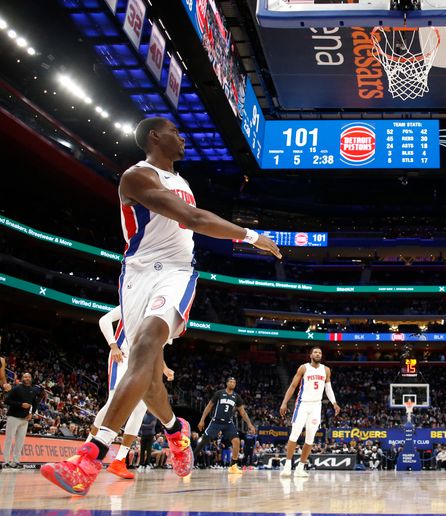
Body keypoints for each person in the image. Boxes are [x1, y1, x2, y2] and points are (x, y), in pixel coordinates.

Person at [41, 117, 281, 495]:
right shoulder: (136, 177)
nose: (182, 137)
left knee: (147, 345)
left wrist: (246, 236)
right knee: (149, 379)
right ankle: (175, 431)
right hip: (137, 276)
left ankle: (89, 457)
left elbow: (189, 224)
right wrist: (252, 236)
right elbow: (192, 218)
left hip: (176, 272)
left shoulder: (183, 182)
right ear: (154, 136)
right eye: (174, 131)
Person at [87, 305, 174, 479]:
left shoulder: (165, 314)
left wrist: (164, 368)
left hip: (143, 361)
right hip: (122, 356)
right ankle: (86, 450)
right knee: (114, 402)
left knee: (141, 409)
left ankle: (119, 460)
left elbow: (157, 347)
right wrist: (113, 346)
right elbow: (104, 320)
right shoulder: (135, 300)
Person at [279, 347, 340, 477]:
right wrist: (284, 402)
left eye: (320, 352)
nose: (318, 354)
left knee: (310, 438)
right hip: (302, 404)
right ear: (310, 355)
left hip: (316, 406)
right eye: (315, 352)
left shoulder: (326, 370)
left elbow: (328, 388)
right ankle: (287, 466)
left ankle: (300, 468)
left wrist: (334, 403)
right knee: (294, 434)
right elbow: (293, 386)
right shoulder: (303, 368)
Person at [194, 377, 256, 474]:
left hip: (228, 423)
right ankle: (191, 459)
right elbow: (209, 406)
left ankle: (233, 466)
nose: (232, 383)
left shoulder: (236, 397)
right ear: (227, 383)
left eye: (234, 382)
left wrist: (250, 424)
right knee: (205, 439)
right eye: (230, 382)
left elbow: (243, 412)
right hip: (216, 422)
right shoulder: (219, 393)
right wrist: (202, 420)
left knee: (236, 441)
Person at [2, 372, 38, 468]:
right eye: (25, 376)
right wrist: (20, 405)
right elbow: (7, 401)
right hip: (13, 416)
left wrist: (31, 413)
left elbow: (35, 404)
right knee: (9, 439)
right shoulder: (17, 388)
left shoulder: (33, 390)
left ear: (31, 379)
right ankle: (5, 461)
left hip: (25, 419)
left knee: (20, 441)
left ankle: (16, 461)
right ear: (22, 378)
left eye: (29, 377)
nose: (27, 378)